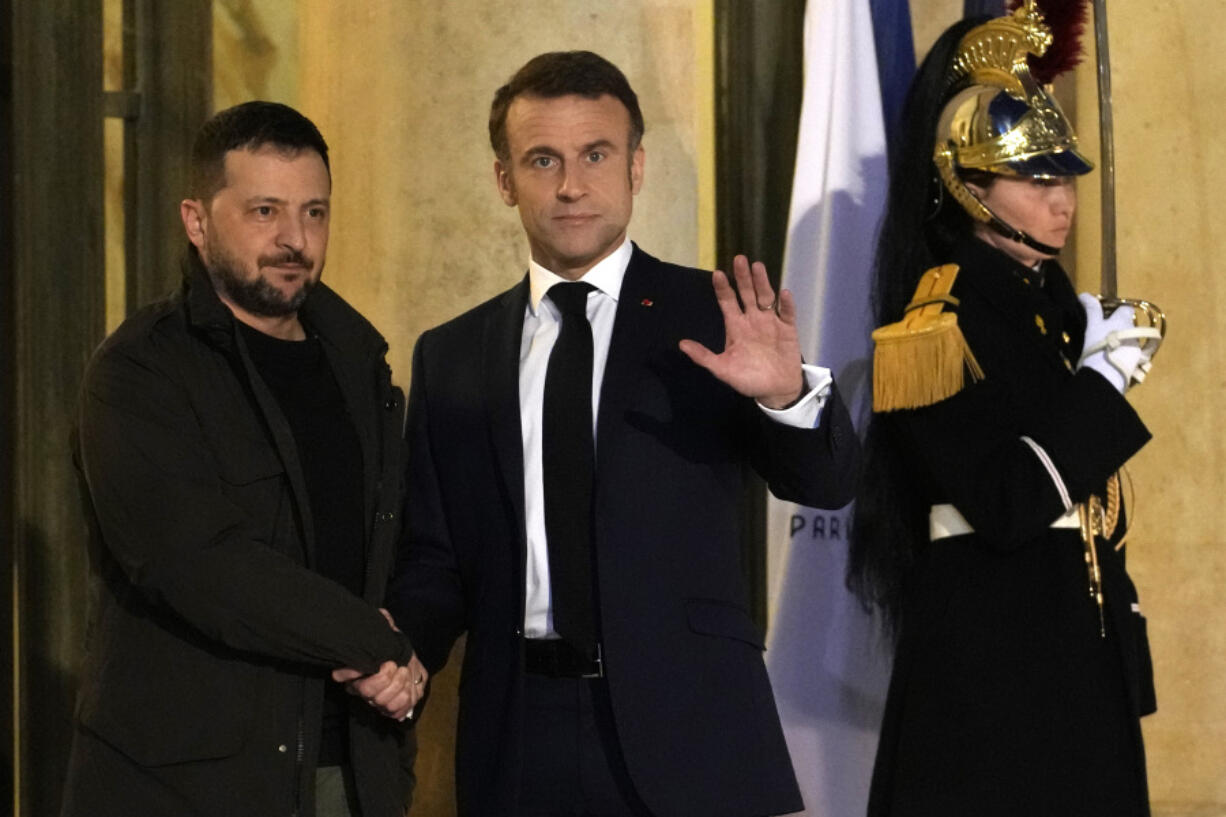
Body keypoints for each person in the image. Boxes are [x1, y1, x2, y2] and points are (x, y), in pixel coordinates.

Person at [389, 51, 859, 816]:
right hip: (517, 734)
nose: (571, 185)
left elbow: (827, 484)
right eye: (543, 159)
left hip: (693, 729)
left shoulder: (714, 315)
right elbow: (437, 559)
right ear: (504, 179)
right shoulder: (451, 355)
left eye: (596, 155)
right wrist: (400, 645)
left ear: (637, 167)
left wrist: (787, 395)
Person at [63, 101, 427, 817]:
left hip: (349, 769)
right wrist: (377, 644)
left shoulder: (361, 367)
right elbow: (197, 561)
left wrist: (407, 650)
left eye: (314, 212)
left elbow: (396, 544)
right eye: (265, 210)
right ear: (197, 222)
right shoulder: (139, 373)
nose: (295, 238)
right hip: (189, 783)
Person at [848, 4, 1159, 815]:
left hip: (1075, 663)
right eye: (1037, 179)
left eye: (1066, 179)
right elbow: (1006, 499)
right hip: (992, 674)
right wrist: (1100, 386)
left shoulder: (1052, 312)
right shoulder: (932, 327)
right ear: (969, 184)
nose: (1063, 203)